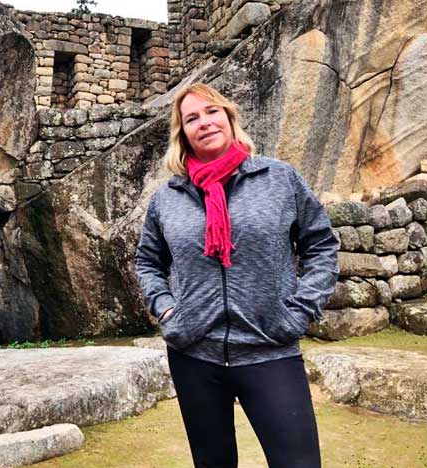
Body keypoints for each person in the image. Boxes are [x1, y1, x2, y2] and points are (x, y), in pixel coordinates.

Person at [134, 83, 339, 468]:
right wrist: (166, 311)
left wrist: (298, 311)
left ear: (229, 119)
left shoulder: (279, 179)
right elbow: (148, 261)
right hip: (194, 354)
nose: (204, 123)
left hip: (269, 349)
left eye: (212, 112)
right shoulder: (168, 197)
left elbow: (321, 246)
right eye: (191, 118)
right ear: (182, 134)